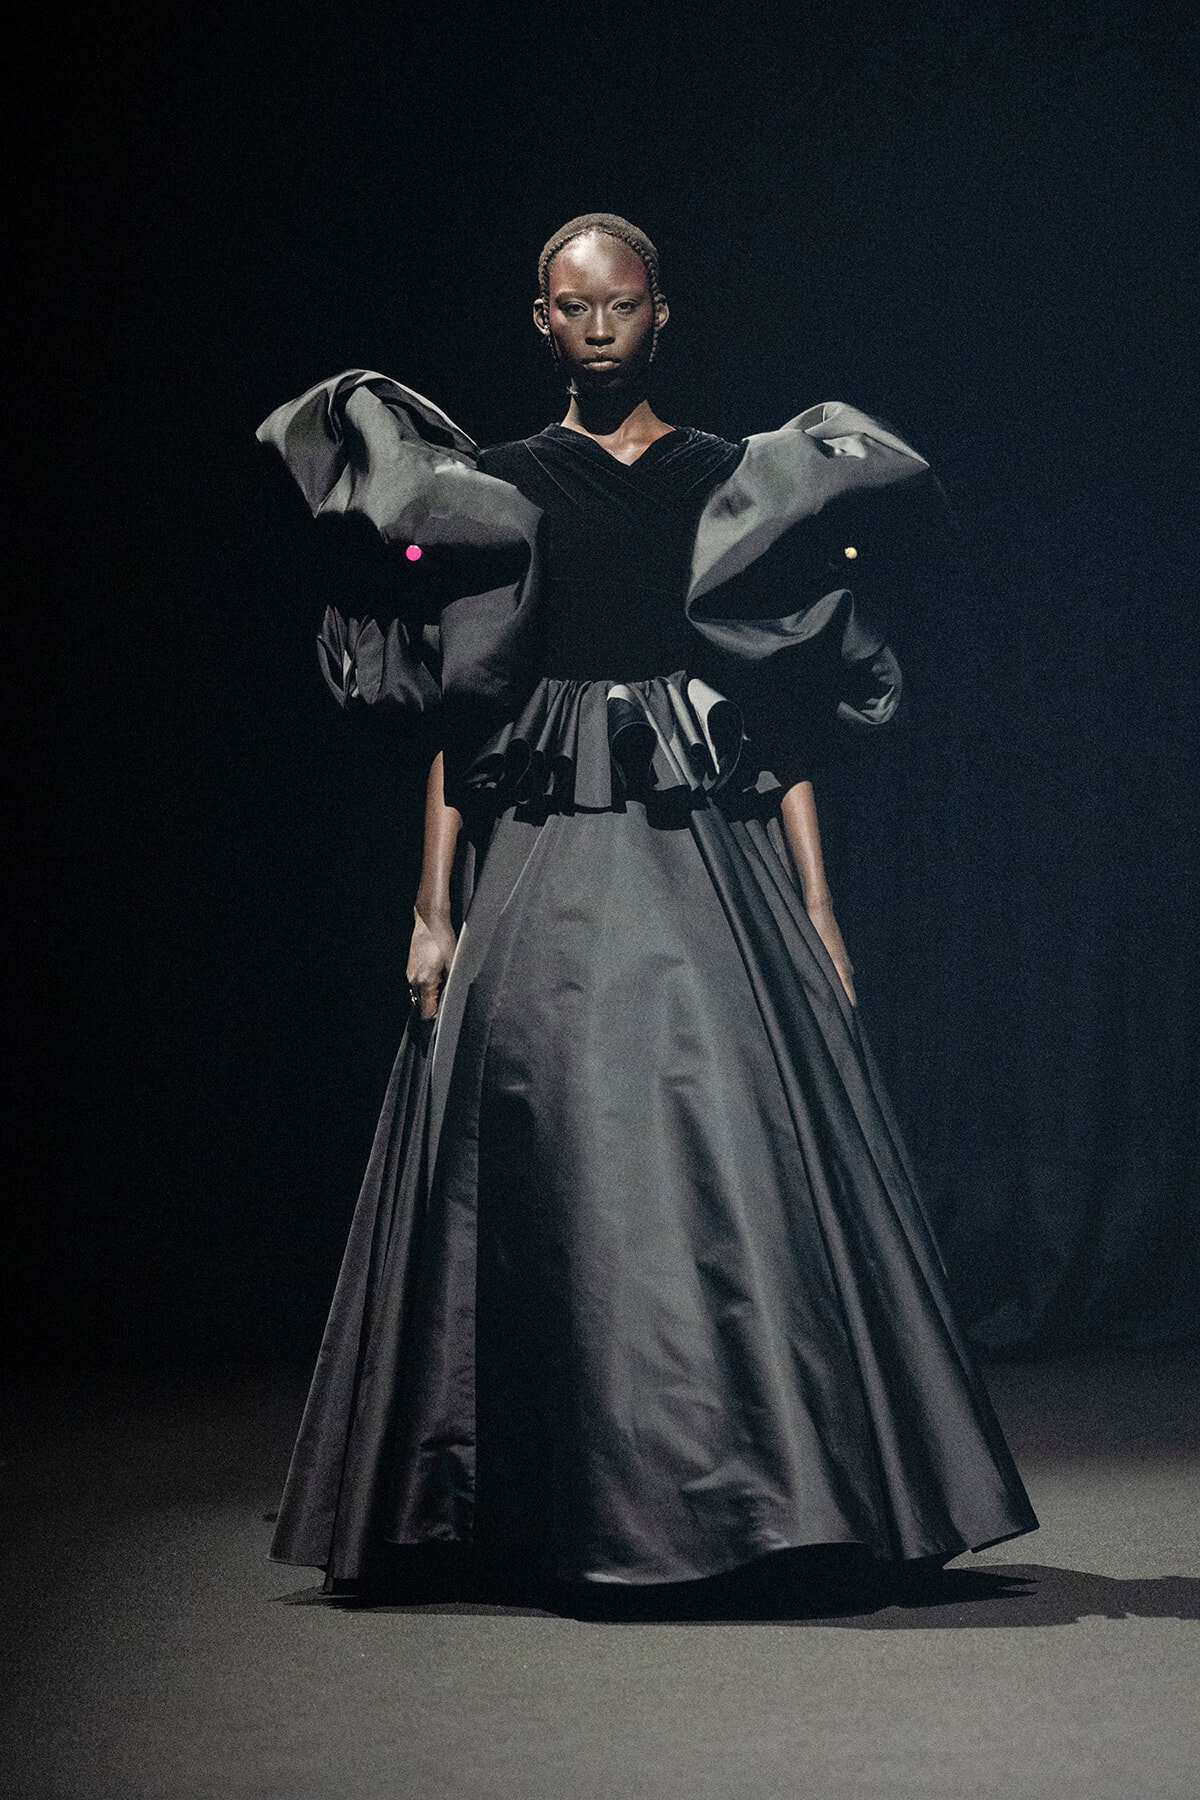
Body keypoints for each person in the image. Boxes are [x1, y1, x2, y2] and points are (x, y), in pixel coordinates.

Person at [257, 213, 1037, 1597]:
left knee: (731, 1141)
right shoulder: (501, 485)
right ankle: (528, 1504)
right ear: (542, 320)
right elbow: (464, 716)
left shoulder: (729, 481)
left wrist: (818, 900)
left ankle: (762, 1495)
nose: (600, 326)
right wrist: (432, 909)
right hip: (545, 860)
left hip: (703, 852)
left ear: (661, 312)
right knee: (535, 1151)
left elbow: (783, 710)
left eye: (621, 303)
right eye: (575, 305)